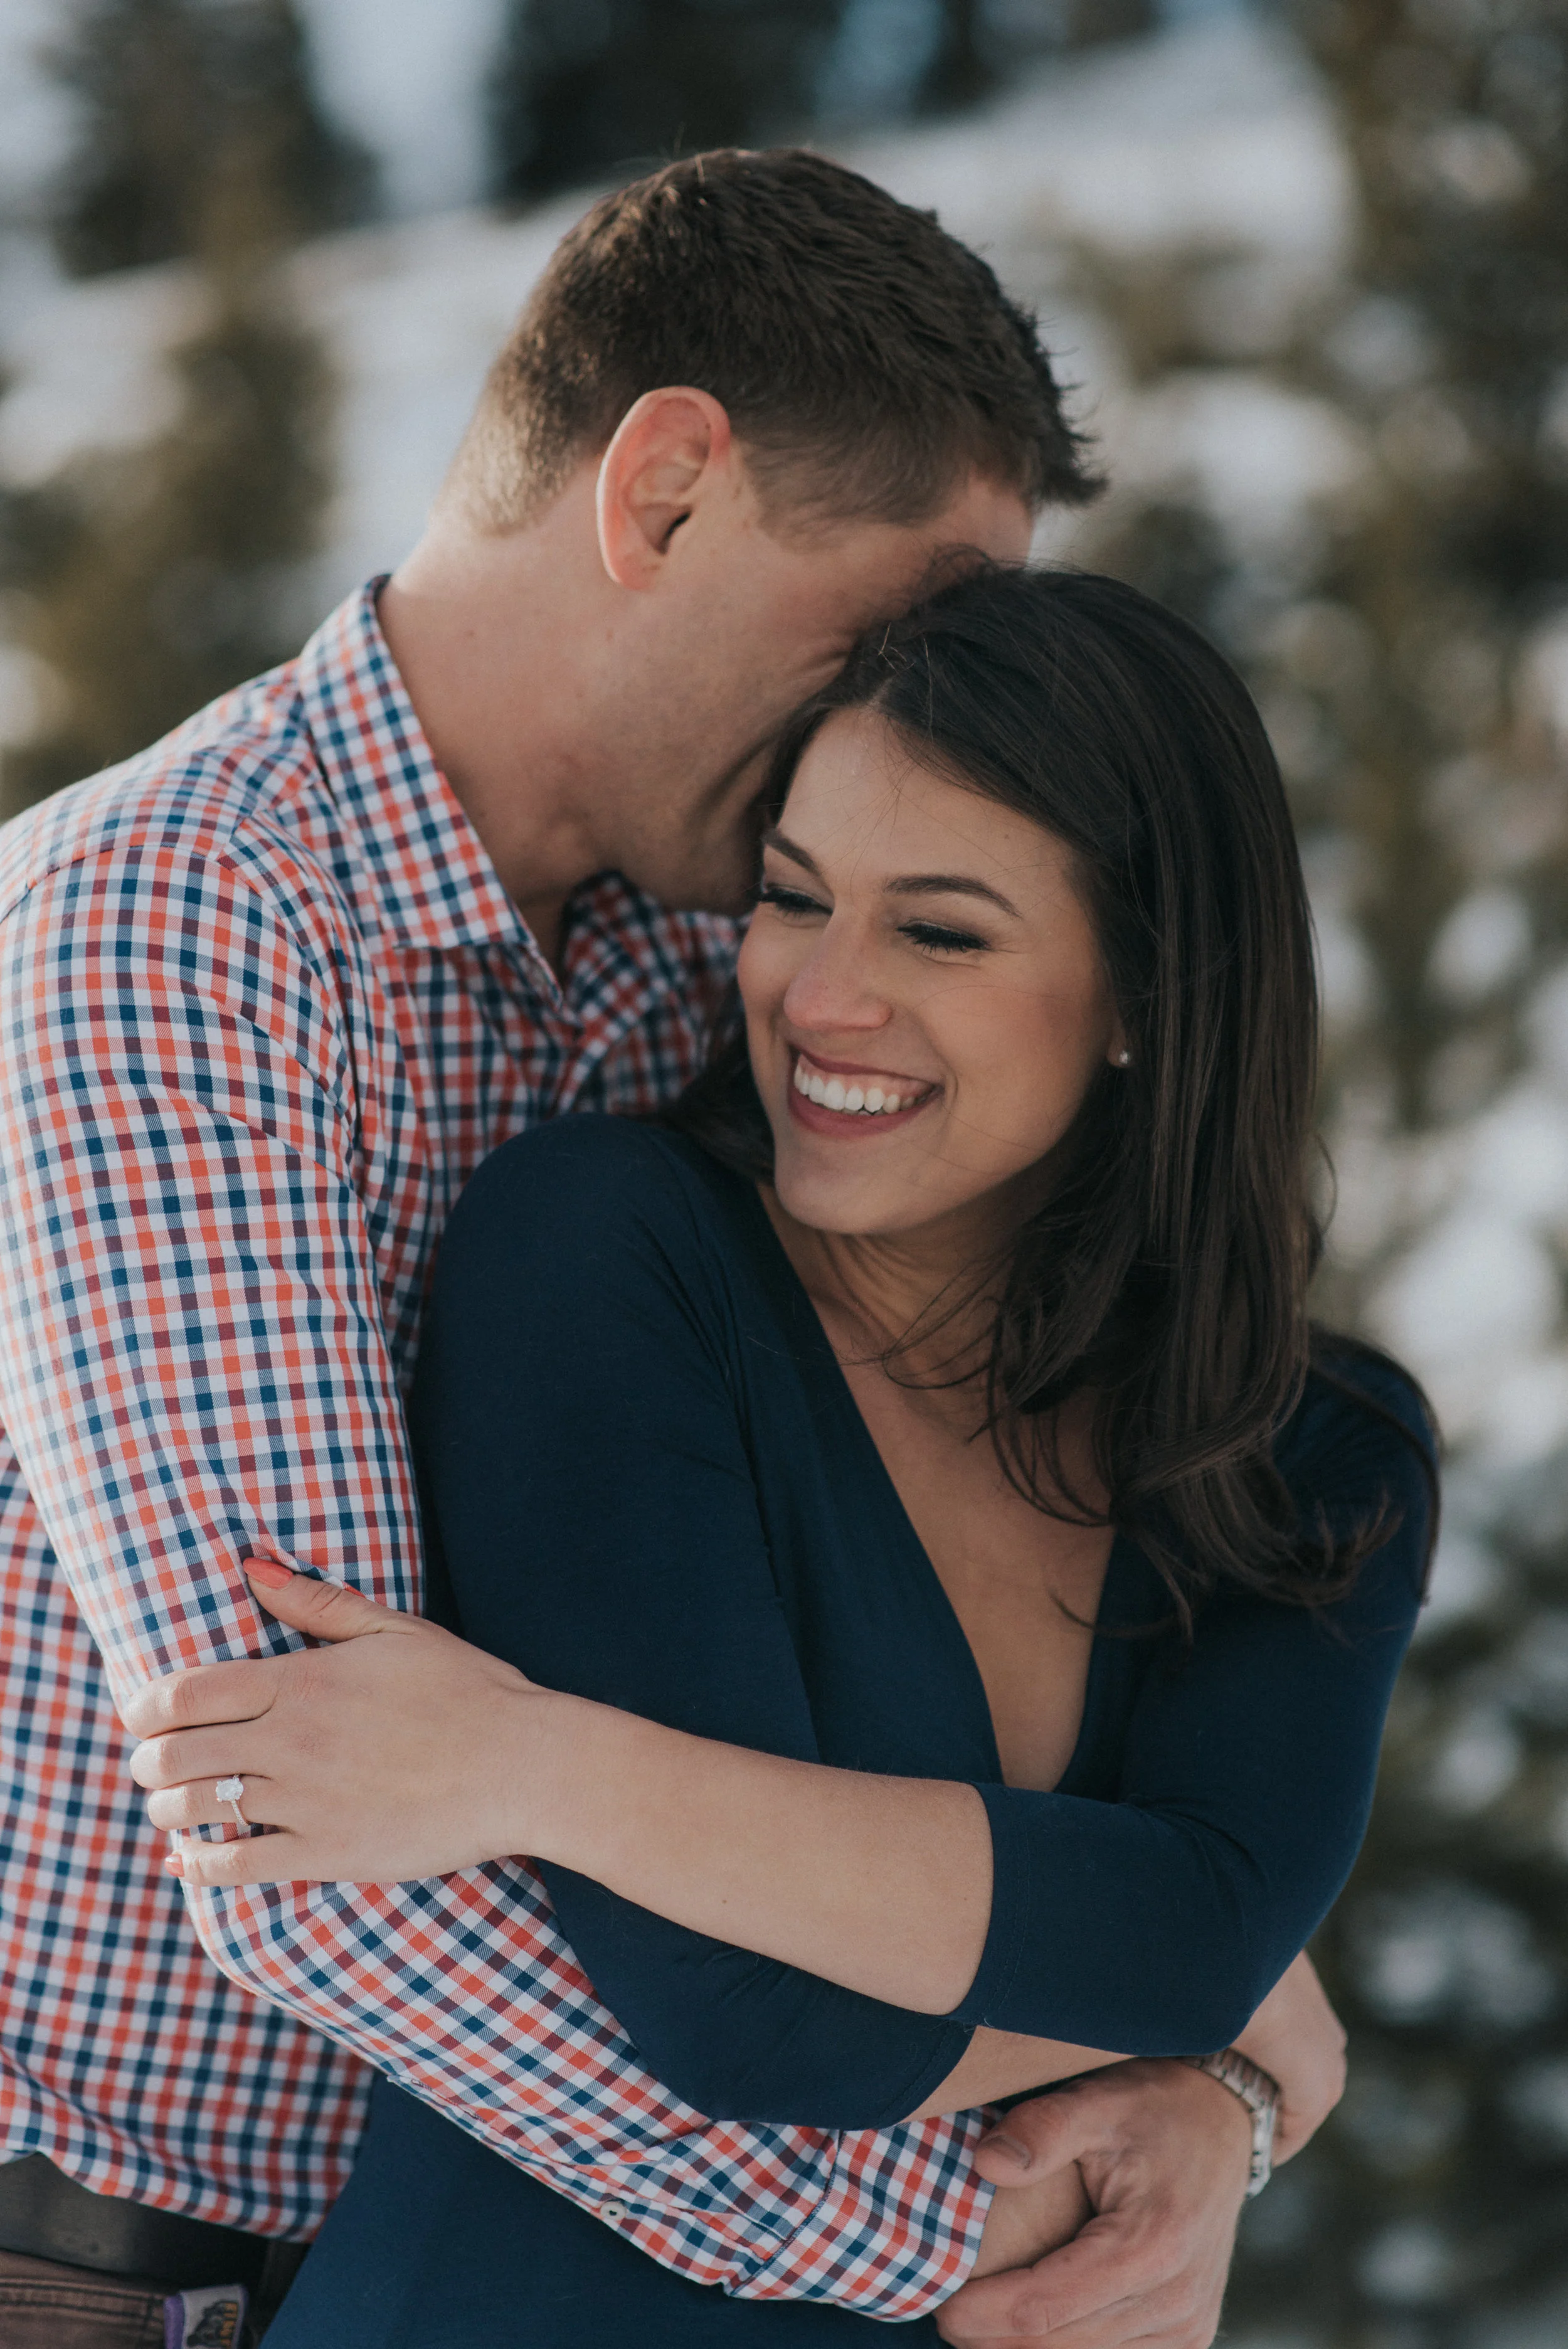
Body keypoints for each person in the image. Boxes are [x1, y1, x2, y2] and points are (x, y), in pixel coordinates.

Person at [0, 149, 1338, 2349]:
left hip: (477, 2265)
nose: (901, 723)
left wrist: (1188, 2051)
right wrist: (963, 2247)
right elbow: (309, 1853)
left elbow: (960, 1596)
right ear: (669, 490)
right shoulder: (176, 932)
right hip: (102, 2280)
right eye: (892, 631)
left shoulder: (713, 967)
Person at [129, 565, 1434, 2346]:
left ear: (1142, 993)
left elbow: (1202, 1936)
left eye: (941, 932)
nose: (822, 996)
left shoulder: (1316, 1455)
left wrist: (533, 1768)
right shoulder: (604, 1257)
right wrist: (1196, 2023)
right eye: (792, 898)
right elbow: (747, 2020)